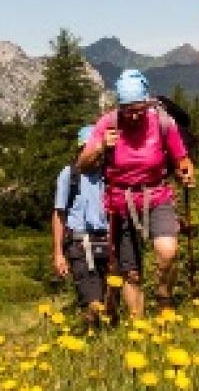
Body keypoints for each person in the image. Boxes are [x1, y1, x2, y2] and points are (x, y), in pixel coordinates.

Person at [77, 70, 195, 316]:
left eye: (139, 108)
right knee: (130, 271)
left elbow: (181, 157)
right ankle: (139, 326)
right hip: (120, 203)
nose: (134, 114)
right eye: (128, 109)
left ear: (147, 101)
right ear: (119, 106)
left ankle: (164, 297)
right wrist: (100, 146)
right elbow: (83, 165)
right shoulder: (107, 124)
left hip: (157, 195)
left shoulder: (162, 122)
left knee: (168, 251)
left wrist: (186, 172)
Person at [51, 125, 120, 328]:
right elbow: (59, 214)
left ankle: (105, 342)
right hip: (80, 243)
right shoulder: (70, 174)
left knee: (111, 303)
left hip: (107, 241)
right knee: (93, 302)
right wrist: (58, 253)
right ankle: (90, 335)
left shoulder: (109, 175)